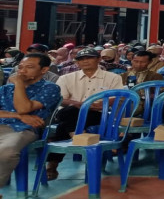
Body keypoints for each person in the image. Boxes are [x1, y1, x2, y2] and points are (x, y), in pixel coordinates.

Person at [48, 48, 125, 179]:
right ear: (77, 62)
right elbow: (61, 99)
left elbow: (118, 96)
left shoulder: (113, 77)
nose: (85, 61)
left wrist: (103, 104)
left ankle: (53, 164)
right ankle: (79, 137)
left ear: (98, 59)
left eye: (89, 58)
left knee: (63, 123)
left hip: (98, 114)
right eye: (81, 59)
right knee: (71, 112)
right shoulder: (66, 78)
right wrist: (81, 104)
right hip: (72, 111)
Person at [0, 53, 61, 187]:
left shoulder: (50, 88)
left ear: (44, 70)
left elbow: (24, 108)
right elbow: (21, 113)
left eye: (29, 67)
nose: (22, 71)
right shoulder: (5, 89)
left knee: (6, 152)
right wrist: (17, 116)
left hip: (23, 129)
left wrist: (19, 83)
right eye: (20, 67)